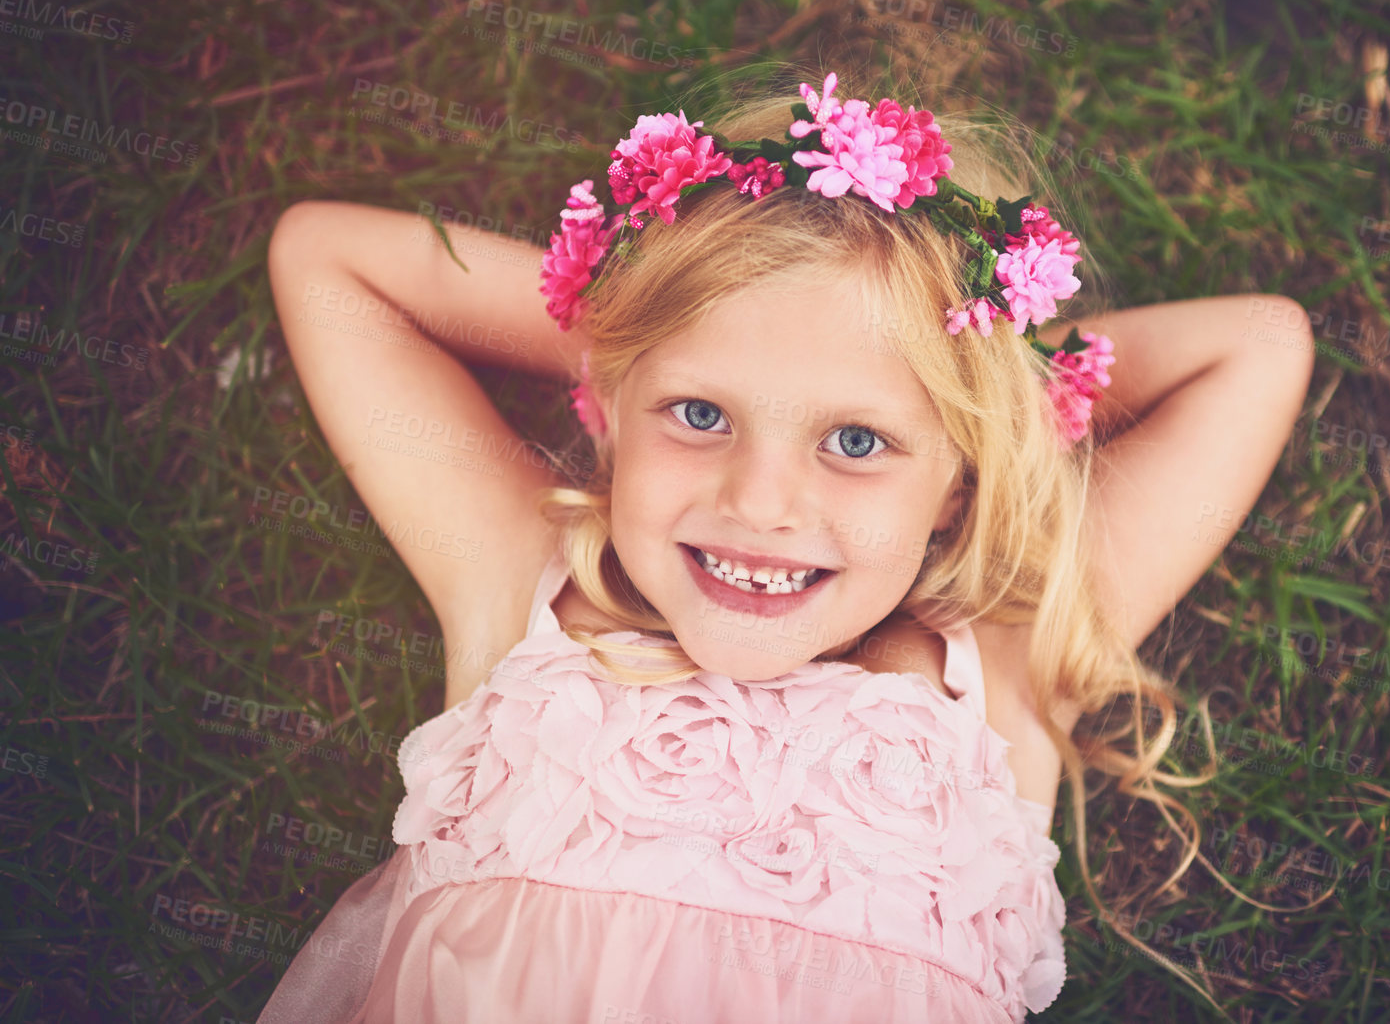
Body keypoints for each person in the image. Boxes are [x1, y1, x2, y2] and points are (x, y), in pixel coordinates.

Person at [257, 71, 1313, 1022]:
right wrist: (643, 329)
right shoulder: (524, 594)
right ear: (610, 413)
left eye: (857, 440)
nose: (760, 503)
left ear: (958, 488)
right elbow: (327, 259)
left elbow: (1260, 348)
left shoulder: (1006, 666)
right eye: (699, 414)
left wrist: (980, 377)